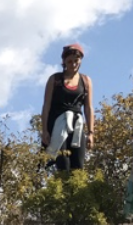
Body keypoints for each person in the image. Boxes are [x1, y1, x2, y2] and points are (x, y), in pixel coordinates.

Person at [40, 43, 95, 171]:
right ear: (64, 62)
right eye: (69, 61)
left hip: (77, 125)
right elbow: (46, 106)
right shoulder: (55, 79)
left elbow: (88, 107)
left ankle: (77, 190)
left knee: (78, 165)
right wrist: (45, 131)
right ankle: (62, 189)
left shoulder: (86, 81)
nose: (73, 64)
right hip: (57, 126)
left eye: (76, 60)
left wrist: (91, 132)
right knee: (62, 162)